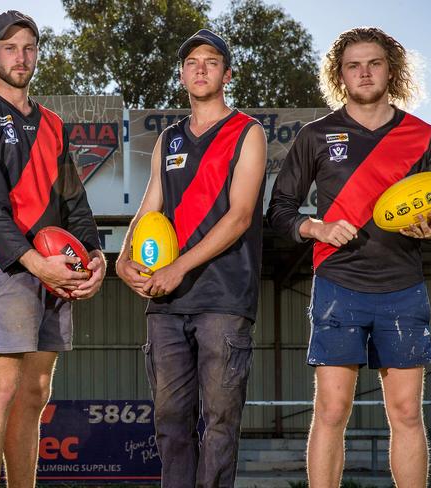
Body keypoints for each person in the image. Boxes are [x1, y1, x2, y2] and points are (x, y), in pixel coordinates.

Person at [268, 27, 431, 488]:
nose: (364, 72)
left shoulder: (422, 135)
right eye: (353, 65)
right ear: (340, 74)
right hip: (337, 285)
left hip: (402, 285)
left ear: (392, 69)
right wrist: (317, 226)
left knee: (406, 413)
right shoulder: (316, 135)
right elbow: (279, 210)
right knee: (331, 410)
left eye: (374, 63)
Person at [0, 10, 105, 487]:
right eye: (10, 47)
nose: (21, 56)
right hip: (7, 267)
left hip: (55, 270)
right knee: (0, 387)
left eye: (29, 47)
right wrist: (40, 265)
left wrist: (96, 257)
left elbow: (73, 202)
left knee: (36, 391)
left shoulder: (53, 124)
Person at [116, 29, 266, 487]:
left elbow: (240, 217)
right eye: (192, 62)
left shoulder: (248, 132)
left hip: (223, 299)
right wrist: (123, 260)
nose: (201, 68)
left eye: (212, 60)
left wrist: (180, 265)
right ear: (182, 74)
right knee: (170, 421)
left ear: (227, 72)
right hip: (166, 304)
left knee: (220, 421)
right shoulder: (169, 139)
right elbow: (148, 210)